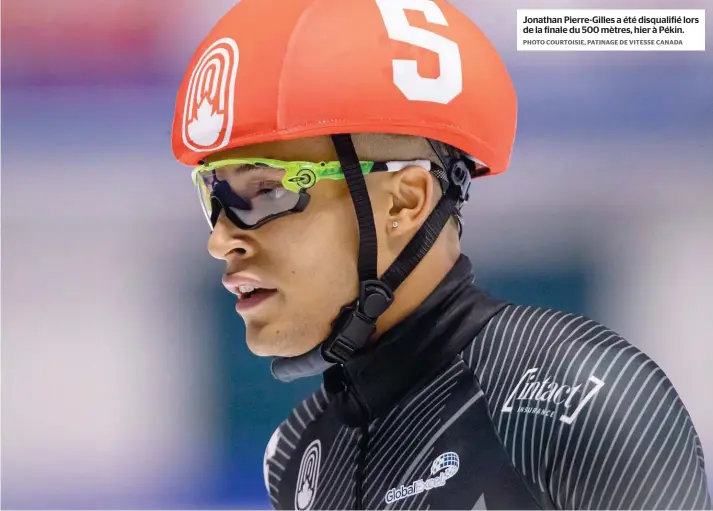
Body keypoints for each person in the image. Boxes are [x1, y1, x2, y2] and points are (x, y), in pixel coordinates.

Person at [170, 0, 712, 509]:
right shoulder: (294, 454)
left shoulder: (580, 398)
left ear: (405, 201)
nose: (222, 240)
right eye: (213, 199)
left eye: (267, 191)